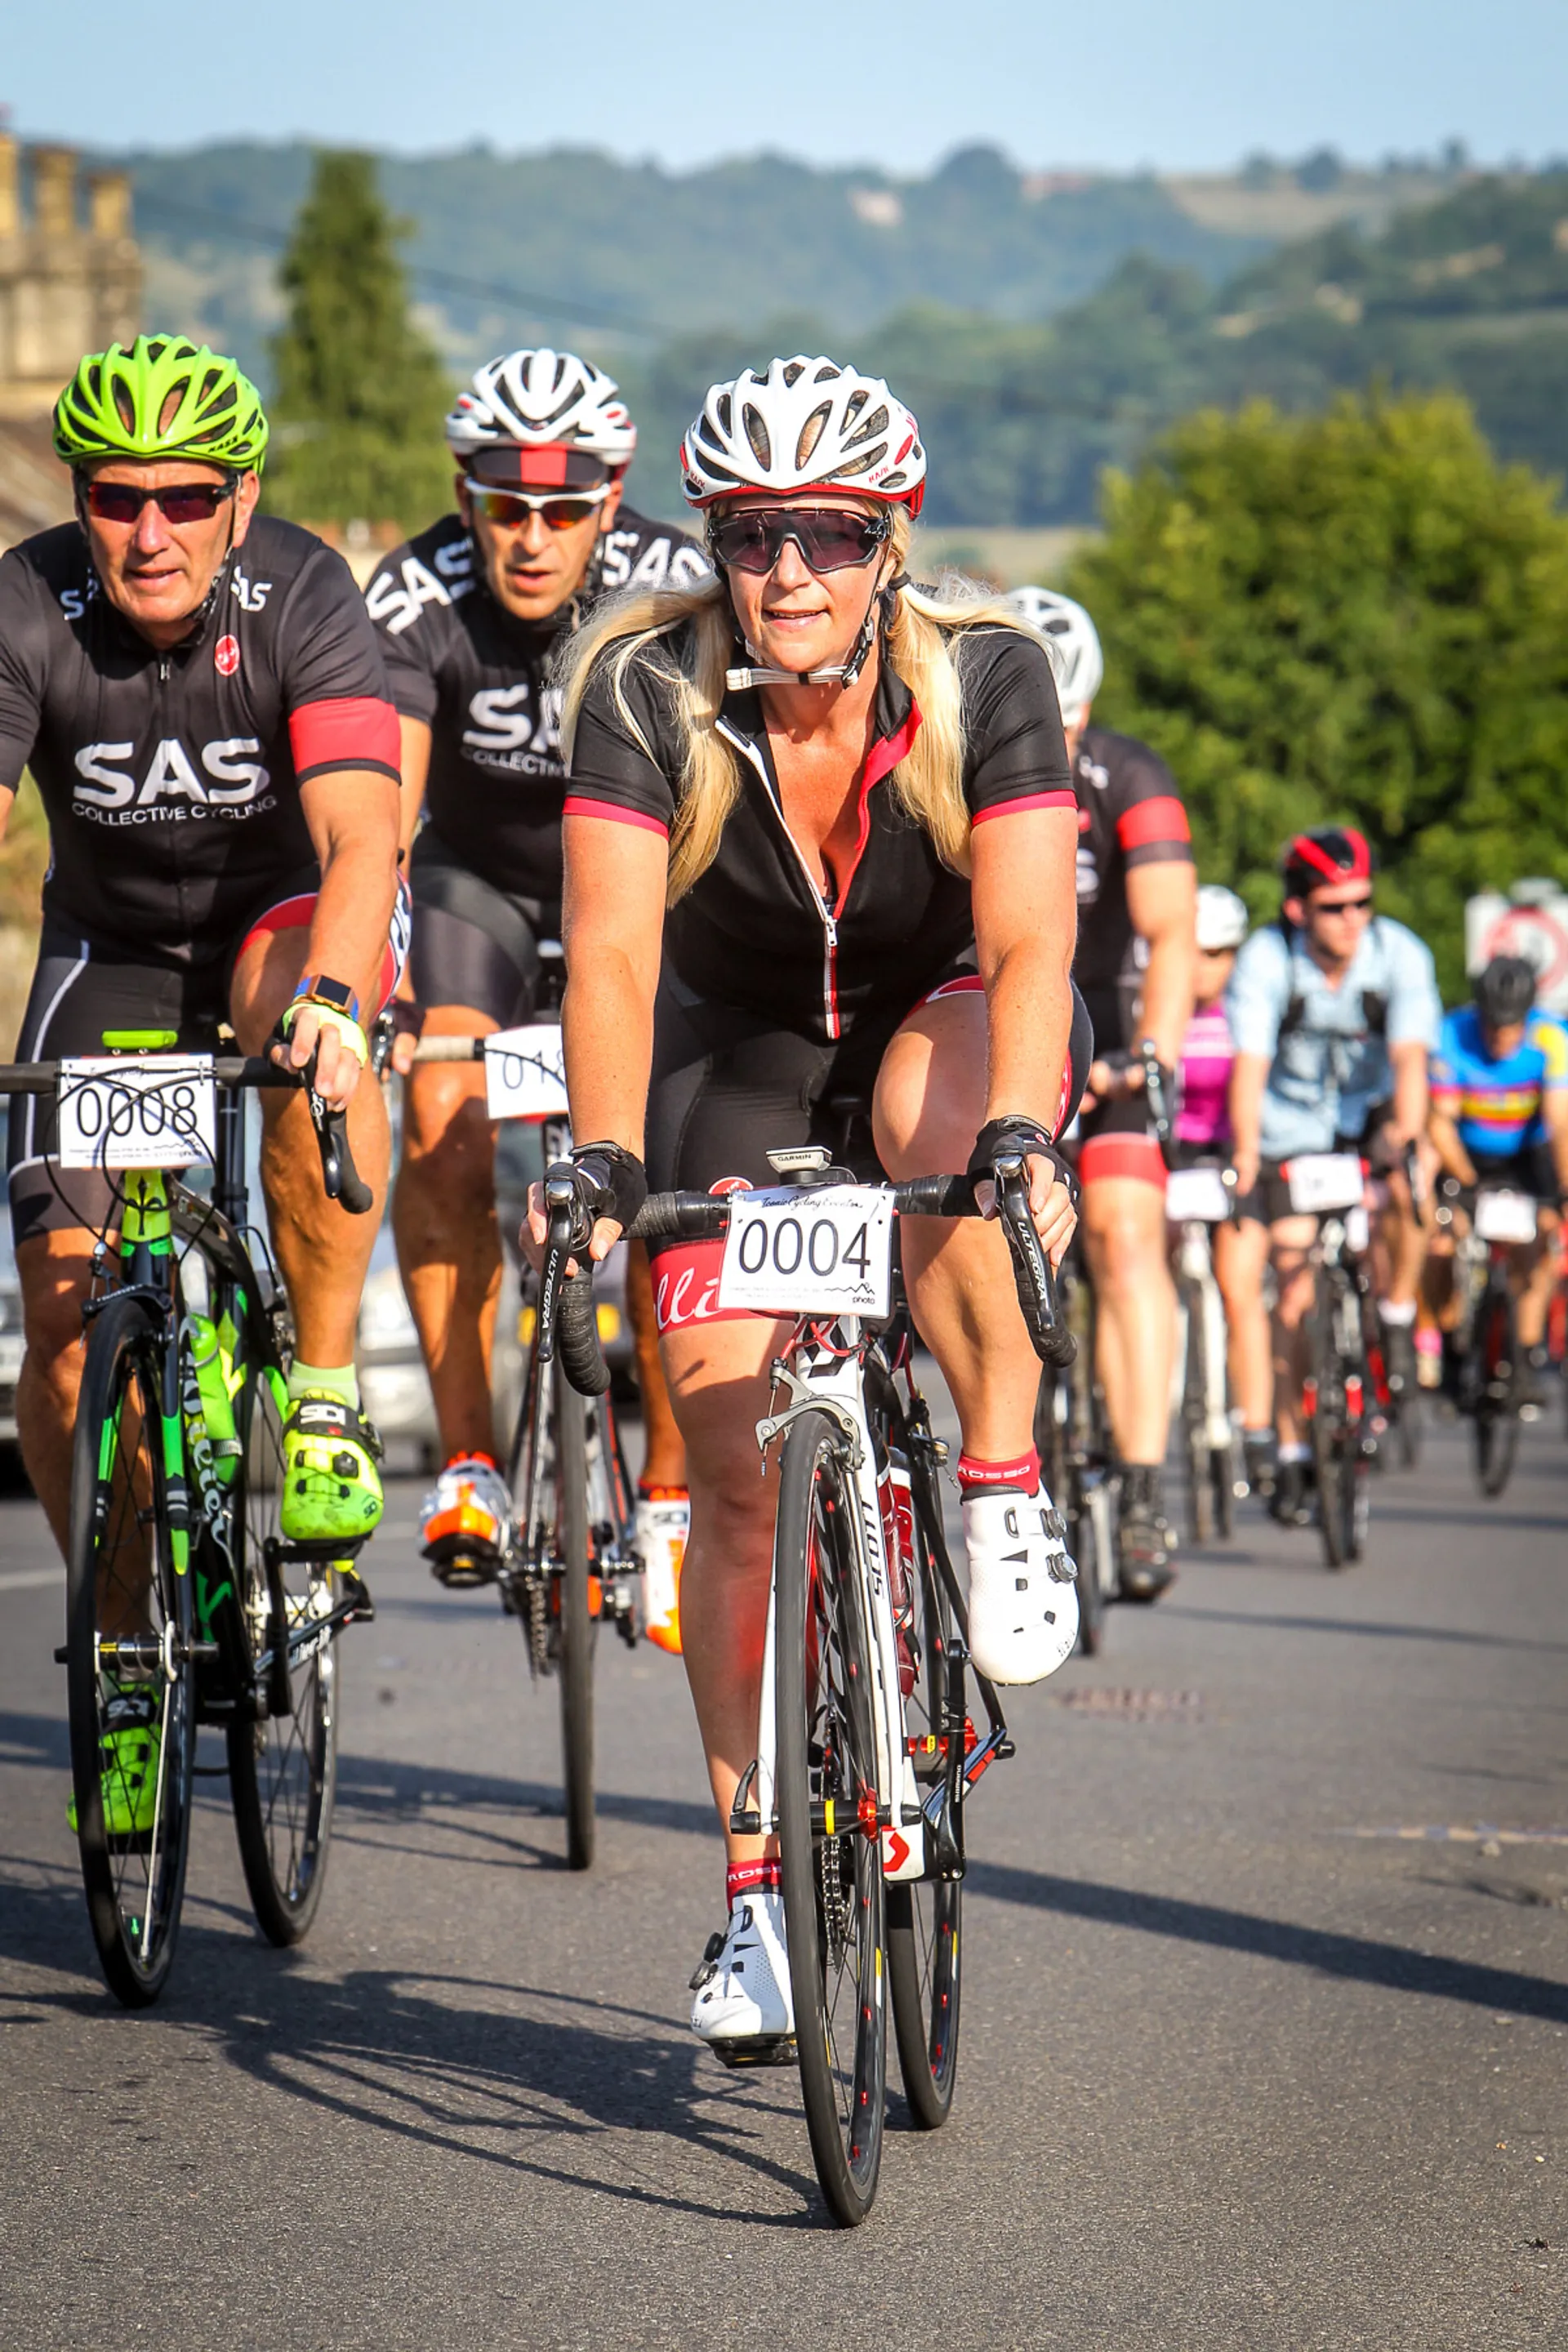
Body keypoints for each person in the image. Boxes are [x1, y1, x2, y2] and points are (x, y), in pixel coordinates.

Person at [534, 357, 1090, 2056]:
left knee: (950, 1116)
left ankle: (1000, 1483)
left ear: (891, 540)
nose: (788, 573)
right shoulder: (645, 687)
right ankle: (760, 1899)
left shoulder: (986, 675)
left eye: (831, 537)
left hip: (940, 1029)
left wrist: (1025, 1139)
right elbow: (611, 952)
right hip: (738, 1064)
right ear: (713, 541)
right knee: (731, 1475)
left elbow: (1031, 940)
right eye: (752, 535)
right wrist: (606, 1162)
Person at [0, 336, 403, 1633]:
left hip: (280, 928)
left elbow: (362, 838)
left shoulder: (303, 590)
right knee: (64, 1337)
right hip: (107, 955)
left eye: (186, 496)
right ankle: (128, 1639)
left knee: (299, 1017)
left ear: (241, 498)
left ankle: (324, 1390)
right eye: (117, 497)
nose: (151, 531)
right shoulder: (24, 602)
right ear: (81, 501)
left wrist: (337, 1000)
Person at [367, 348, 707, 1635]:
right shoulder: (418, 595)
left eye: (564, 510)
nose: (532, 536)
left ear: (609, 502)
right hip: (485, 896)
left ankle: (669, 1493)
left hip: (647, 886)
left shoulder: (673, 586)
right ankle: (468, 1459)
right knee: (442, 1112)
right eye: (506, 506)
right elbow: (387, 816)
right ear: (468, 498)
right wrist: (378, 981)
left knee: (670, 1161)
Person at [1009, 587, 1196, 1600]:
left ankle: (1142, 1485)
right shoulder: (963, 753)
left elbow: (1170, 929)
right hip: (1009, 1031)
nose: (1054, 738)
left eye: (1067, 720)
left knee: (1125, 1233)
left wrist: (1153, 1054)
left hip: (1111, 1038)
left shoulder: (1131, 775)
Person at [1226, 828, 1441, 1525]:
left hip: (1368, 1116)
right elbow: (1249, 1069)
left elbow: (1410, 1063)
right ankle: (1294, 1447)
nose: (1353, 919)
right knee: (1292, 1297)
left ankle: (1399, 1313)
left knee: (1414, 1182)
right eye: (1334, 907)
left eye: (1362, 903)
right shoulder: (1266, 960)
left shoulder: (1400, 954)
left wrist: (1406, 1138)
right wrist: (1246, 1153)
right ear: (1298, 910)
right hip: (1288, 1132)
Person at [1427, 955, 1568, 1408]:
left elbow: (1561, 1121)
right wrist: (1467, 1183)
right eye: (1492, 1026)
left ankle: (1523, 1356)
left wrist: (1564, 1189)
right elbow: (1440, 1121)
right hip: (1467, 1156)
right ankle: (1451, 1351)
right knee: (1443, 1241)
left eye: (1511, 1027)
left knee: (1540, 1239)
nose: (1500, 1037)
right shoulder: (1451, 1034)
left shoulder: (1552, 1037)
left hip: (1527, 1155)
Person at [1172, 886, 1267, 1482]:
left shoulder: (1248, 1010)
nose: (1203, 966)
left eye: (1217, 954)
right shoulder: (1159, 1004)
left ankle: (1256, 1427)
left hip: (1232, 1153)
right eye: (1194, 951)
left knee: (1240, 1286)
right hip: (1172, 1154)